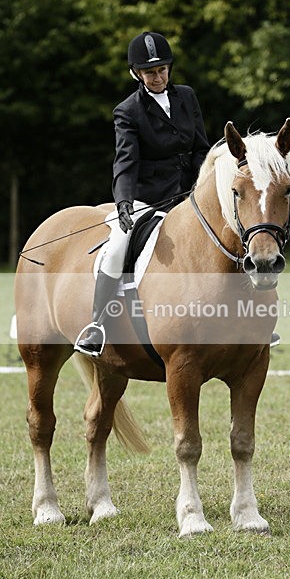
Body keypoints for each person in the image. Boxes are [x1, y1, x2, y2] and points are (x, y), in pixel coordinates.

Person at [74, 31, 211, 356]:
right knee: (118, 244)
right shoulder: (128, 111)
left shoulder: (187, 97)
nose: (158, 77)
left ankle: (250, 324)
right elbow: (126, 161)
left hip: (191, 196)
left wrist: (207, 181)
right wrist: (123, 202)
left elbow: (200, 149)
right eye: (150, 72)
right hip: (148, 198)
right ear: (136, 73)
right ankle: (98, 323)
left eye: (163, 69)